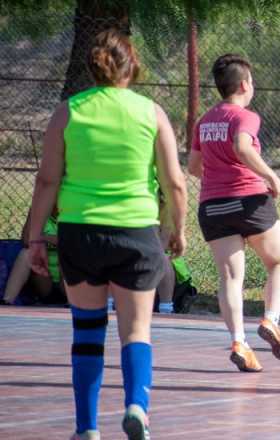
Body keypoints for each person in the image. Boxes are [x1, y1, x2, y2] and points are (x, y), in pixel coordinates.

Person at [26, 29, 187, 440]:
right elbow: (175, 183)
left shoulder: (68, 112)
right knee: (136, 331)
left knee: (86, 332)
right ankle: (137, 406)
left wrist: (35, 238)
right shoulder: (152, 113)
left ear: (92, 66)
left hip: (80, 234)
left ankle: (87, 429)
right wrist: (176, 230)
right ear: (132, 66)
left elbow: (47, 181)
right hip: (136, 232)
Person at [188, 54, 280, 373]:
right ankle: (271, 320)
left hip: (213, 207)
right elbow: (243, 147)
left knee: (230, 278)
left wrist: (218, 174)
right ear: (245, 83)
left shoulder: (204, 121)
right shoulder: (245, 117)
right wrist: (271, 176)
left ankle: (239, 342)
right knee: (279, 261)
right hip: (249, 201)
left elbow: (193, 167)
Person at [2, 208, 62, 305]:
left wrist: (41, 238)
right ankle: (6, 302)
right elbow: (26, 240)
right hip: (45, 280)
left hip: (68, 282)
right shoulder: (39, 209)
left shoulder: (72, 213)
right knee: (26, 253)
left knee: (70, 253)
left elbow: (72, 242)